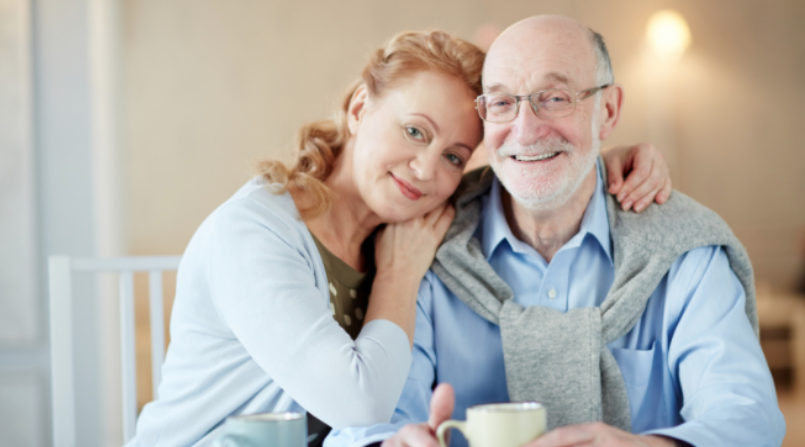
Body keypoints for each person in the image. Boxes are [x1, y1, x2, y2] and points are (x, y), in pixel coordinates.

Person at [126, 30, 671, 447]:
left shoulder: (412, 218)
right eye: (414, 131)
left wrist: (607, 162)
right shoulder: (252, 234)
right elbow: (359, 406)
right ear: (360, 108)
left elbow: (529, 175)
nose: (425, 169)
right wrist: (399, 275)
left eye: (455, 156)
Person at [326, 16, 786, 447]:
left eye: (555, 98)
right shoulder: (423, 247)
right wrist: (392, 442)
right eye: (504, 103)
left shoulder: (685, 248)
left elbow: (749, 418)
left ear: (607, 110)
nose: (525, 131)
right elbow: (360, 424)